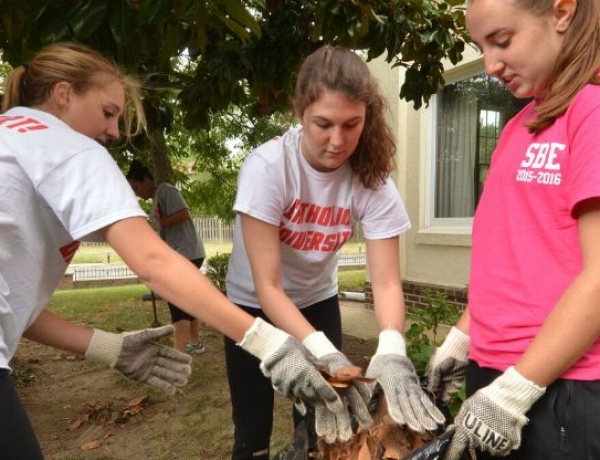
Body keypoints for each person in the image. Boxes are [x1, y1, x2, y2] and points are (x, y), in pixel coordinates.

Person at [0, 41, 360, 459]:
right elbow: (154, 263)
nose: (115, 132)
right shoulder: (69, 148)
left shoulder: (13, 139)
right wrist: (268, 343)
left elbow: (15, 307)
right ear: (64, 95)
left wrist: (104, 345)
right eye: (107, 112)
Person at [224, 45, 445, 460]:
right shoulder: (268, 169)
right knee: (253, 430)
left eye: (352, 124)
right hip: (251, 308)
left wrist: (393, 347)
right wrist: (321, 349)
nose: (337, 140)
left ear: (367, 116)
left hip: (317, 301)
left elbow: (385, 280)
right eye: (323, 124)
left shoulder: (371, 177)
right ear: (299, 112)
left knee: (325, 426)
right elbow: (267, 286)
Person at [423, 1, 600, 459]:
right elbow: (510, 260)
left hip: (561, 388)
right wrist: (462, 339)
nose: (490, 64)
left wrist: (518, 389)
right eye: (481, 46)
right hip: (496, 380)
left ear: (562, 12)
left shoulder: (592, 113)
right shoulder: (518, 127)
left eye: (502, 40)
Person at [127, 160, 207, 354]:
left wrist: (157, 225)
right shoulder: (156, 198)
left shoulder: (165, 190)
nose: (137, 193)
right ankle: (195, 344)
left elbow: (184, 214)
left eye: (136, 187)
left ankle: (177, 354)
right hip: (185, 254)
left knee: (178, 304)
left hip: (185, 253)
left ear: (146, 180)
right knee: (188, 301)